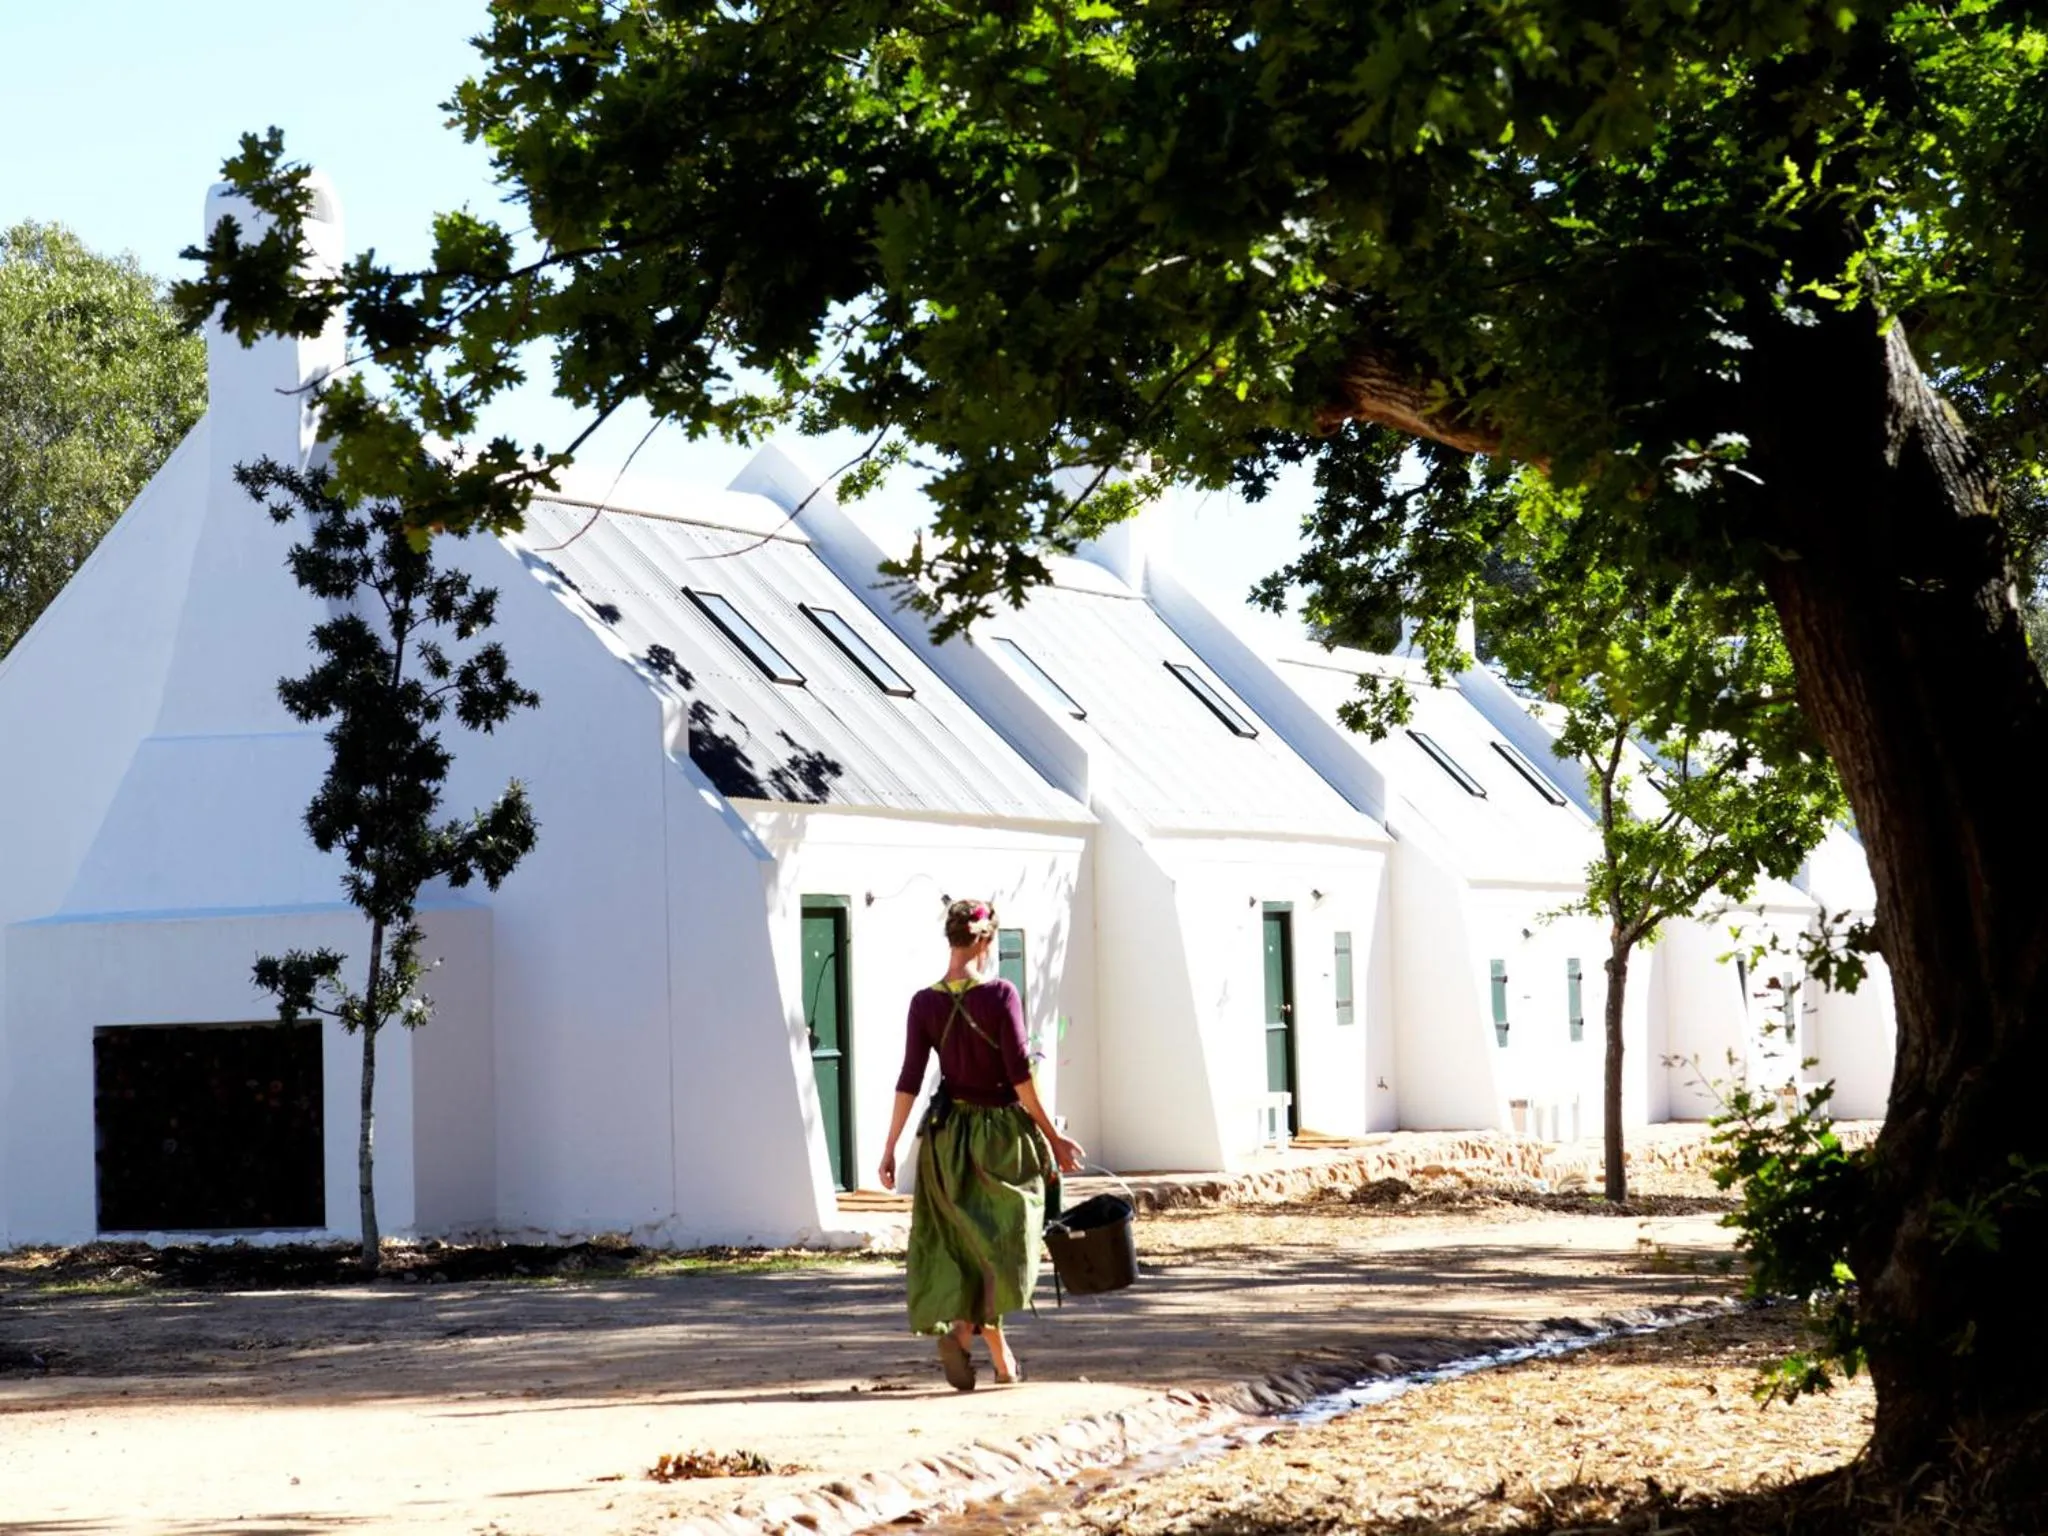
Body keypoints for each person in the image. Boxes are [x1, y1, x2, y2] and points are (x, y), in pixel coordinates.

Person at [879, 898, 1085, 1391]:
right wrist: (1052, 1136)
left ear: (952, 939)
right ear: (986, 941)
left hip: (945, 1140)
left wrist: (889, 1148)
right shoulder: (999, 995)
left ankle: (994, 1355)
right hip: (998, 1138)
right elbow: (1019, 1075)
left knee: (966, 1248)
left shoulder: (924, 1002)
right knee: (1005, 1246)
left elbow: (909, 1078)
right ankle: (964, 1333)